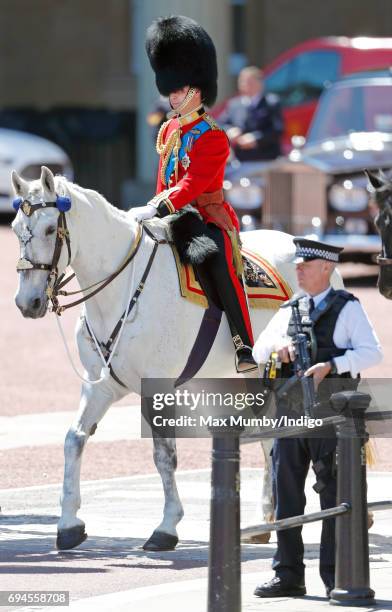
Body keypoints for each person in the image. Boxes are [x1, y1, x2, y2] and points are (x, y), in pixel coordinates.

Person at [252, 237, 383, 598]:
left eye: (305, 265)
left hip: (332, 417)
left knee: (334, 498)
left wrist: (333, 365)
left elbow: (372, 353)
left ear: (326, 268)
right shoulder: (288, 309)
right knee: (287, 496)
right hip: (292, 415)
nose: (298, 270)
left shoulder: (348, 308)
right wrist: (277, 348)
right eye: (297, 264)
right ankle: (288, 574)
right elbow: (258, 349)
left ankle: (336, 574)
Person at [128, 15, 256, 373]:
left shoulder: (213, 135)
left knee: (218, 264)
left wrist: (159, 205)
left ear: (196, 90)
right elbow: (165, 177)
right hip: (171, 214)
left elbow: (194, 184)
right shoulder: (170, 128)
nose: (171, 96)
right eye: (169, 90)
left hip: (207, 216)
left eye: (178, 90)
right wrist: (154, 210)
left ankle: (243, 343)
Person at [218, 66, 283, 162]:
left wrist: (255, 138)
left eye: (249, 82)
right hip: (241, 159)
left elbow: (277, 129)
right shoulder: (234, 105)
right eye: (242, 81)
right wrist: (229, 131)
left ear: (259, 83)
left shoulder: (271, 103)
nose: (245, 85)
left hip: (266, 158)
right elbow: (219, 124)